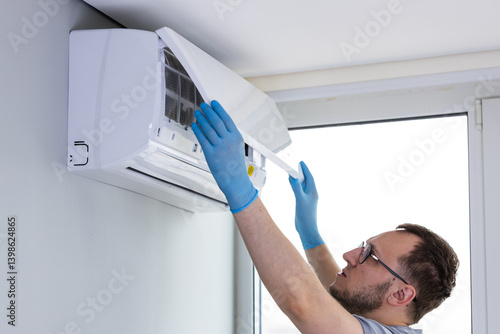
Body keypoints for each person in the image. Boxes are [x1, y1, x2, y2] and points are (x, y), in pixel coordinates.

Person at [192, 100, 459, 334]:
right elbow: (341, 292)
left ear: (401, 294)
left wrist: (241, 191)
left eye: (370, 256)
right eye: (363, 247)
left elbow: (304, 302)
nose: (350, 255)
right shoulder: (373, 317)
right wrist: (310, 234)